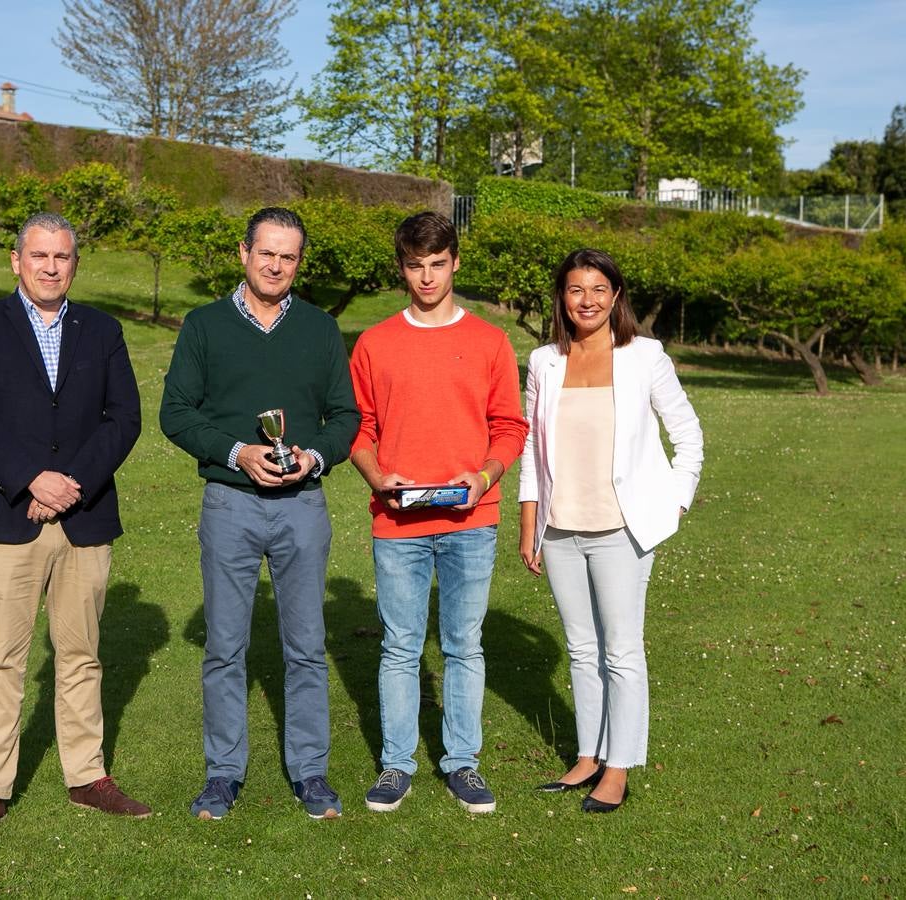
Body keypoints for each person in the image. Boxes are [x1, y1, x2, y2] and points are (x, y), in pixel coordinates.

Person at [0, 212, 148, 845]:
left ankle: (87, 776)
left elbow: (125, 419)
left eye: (62, 257)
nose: (51, 267)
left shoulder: (103, 330)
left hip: (84, 518)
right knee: (3, 659)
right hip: (7, 519)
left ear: (75, 264)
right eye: (39, 256)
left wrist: (68, 484)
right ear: (15, 260)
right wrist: (33, 477)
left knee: (81, 654)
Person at [160, 207, 360, 820]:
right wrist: (236, 451)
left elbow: (345, 418)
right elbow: (176, 411)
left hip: (301, 505)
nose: (276, 265)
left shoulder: (322, 328)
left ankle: (311, 772)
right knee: (225, 647)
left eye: (289, 256)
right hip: (230, 504)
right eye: (266, 252)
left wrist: (314, 458)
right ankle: (223, 774)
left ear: (300, 262)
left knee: (305, 645)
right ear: (244, 253)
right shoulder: (204, 325)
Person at [348, 211, 528, 814]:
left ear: (455, 262)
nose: (427, 276)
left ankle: (462, 763)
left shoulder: (490, 342)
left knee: (463, 645)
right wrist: (378, 477)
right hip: (396, 522)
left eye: (437, 264)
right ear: (402, 268)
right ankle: (396, 764)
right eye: (415, 265)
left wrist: (482, 477)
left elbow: (509, 427)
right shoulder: (374, 343)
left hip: (471, 521)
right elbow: (359, 429)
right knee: (399, 646)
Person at [517, 247, 703, 813]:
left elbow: (687, 433)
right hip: (561, 527)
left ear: (616, 295)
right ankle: (588, 755)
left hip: (624, 530)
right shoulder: (544, 361)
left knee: (621, 651)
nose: (587, 300)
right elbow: (530, 445)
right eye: (576, 289)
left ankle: (619, 766)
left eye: (599, 289)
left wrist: (675, 502)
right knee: (581, 648)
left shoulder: (646, 356)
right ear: (563, 297)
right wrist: (530, 523)